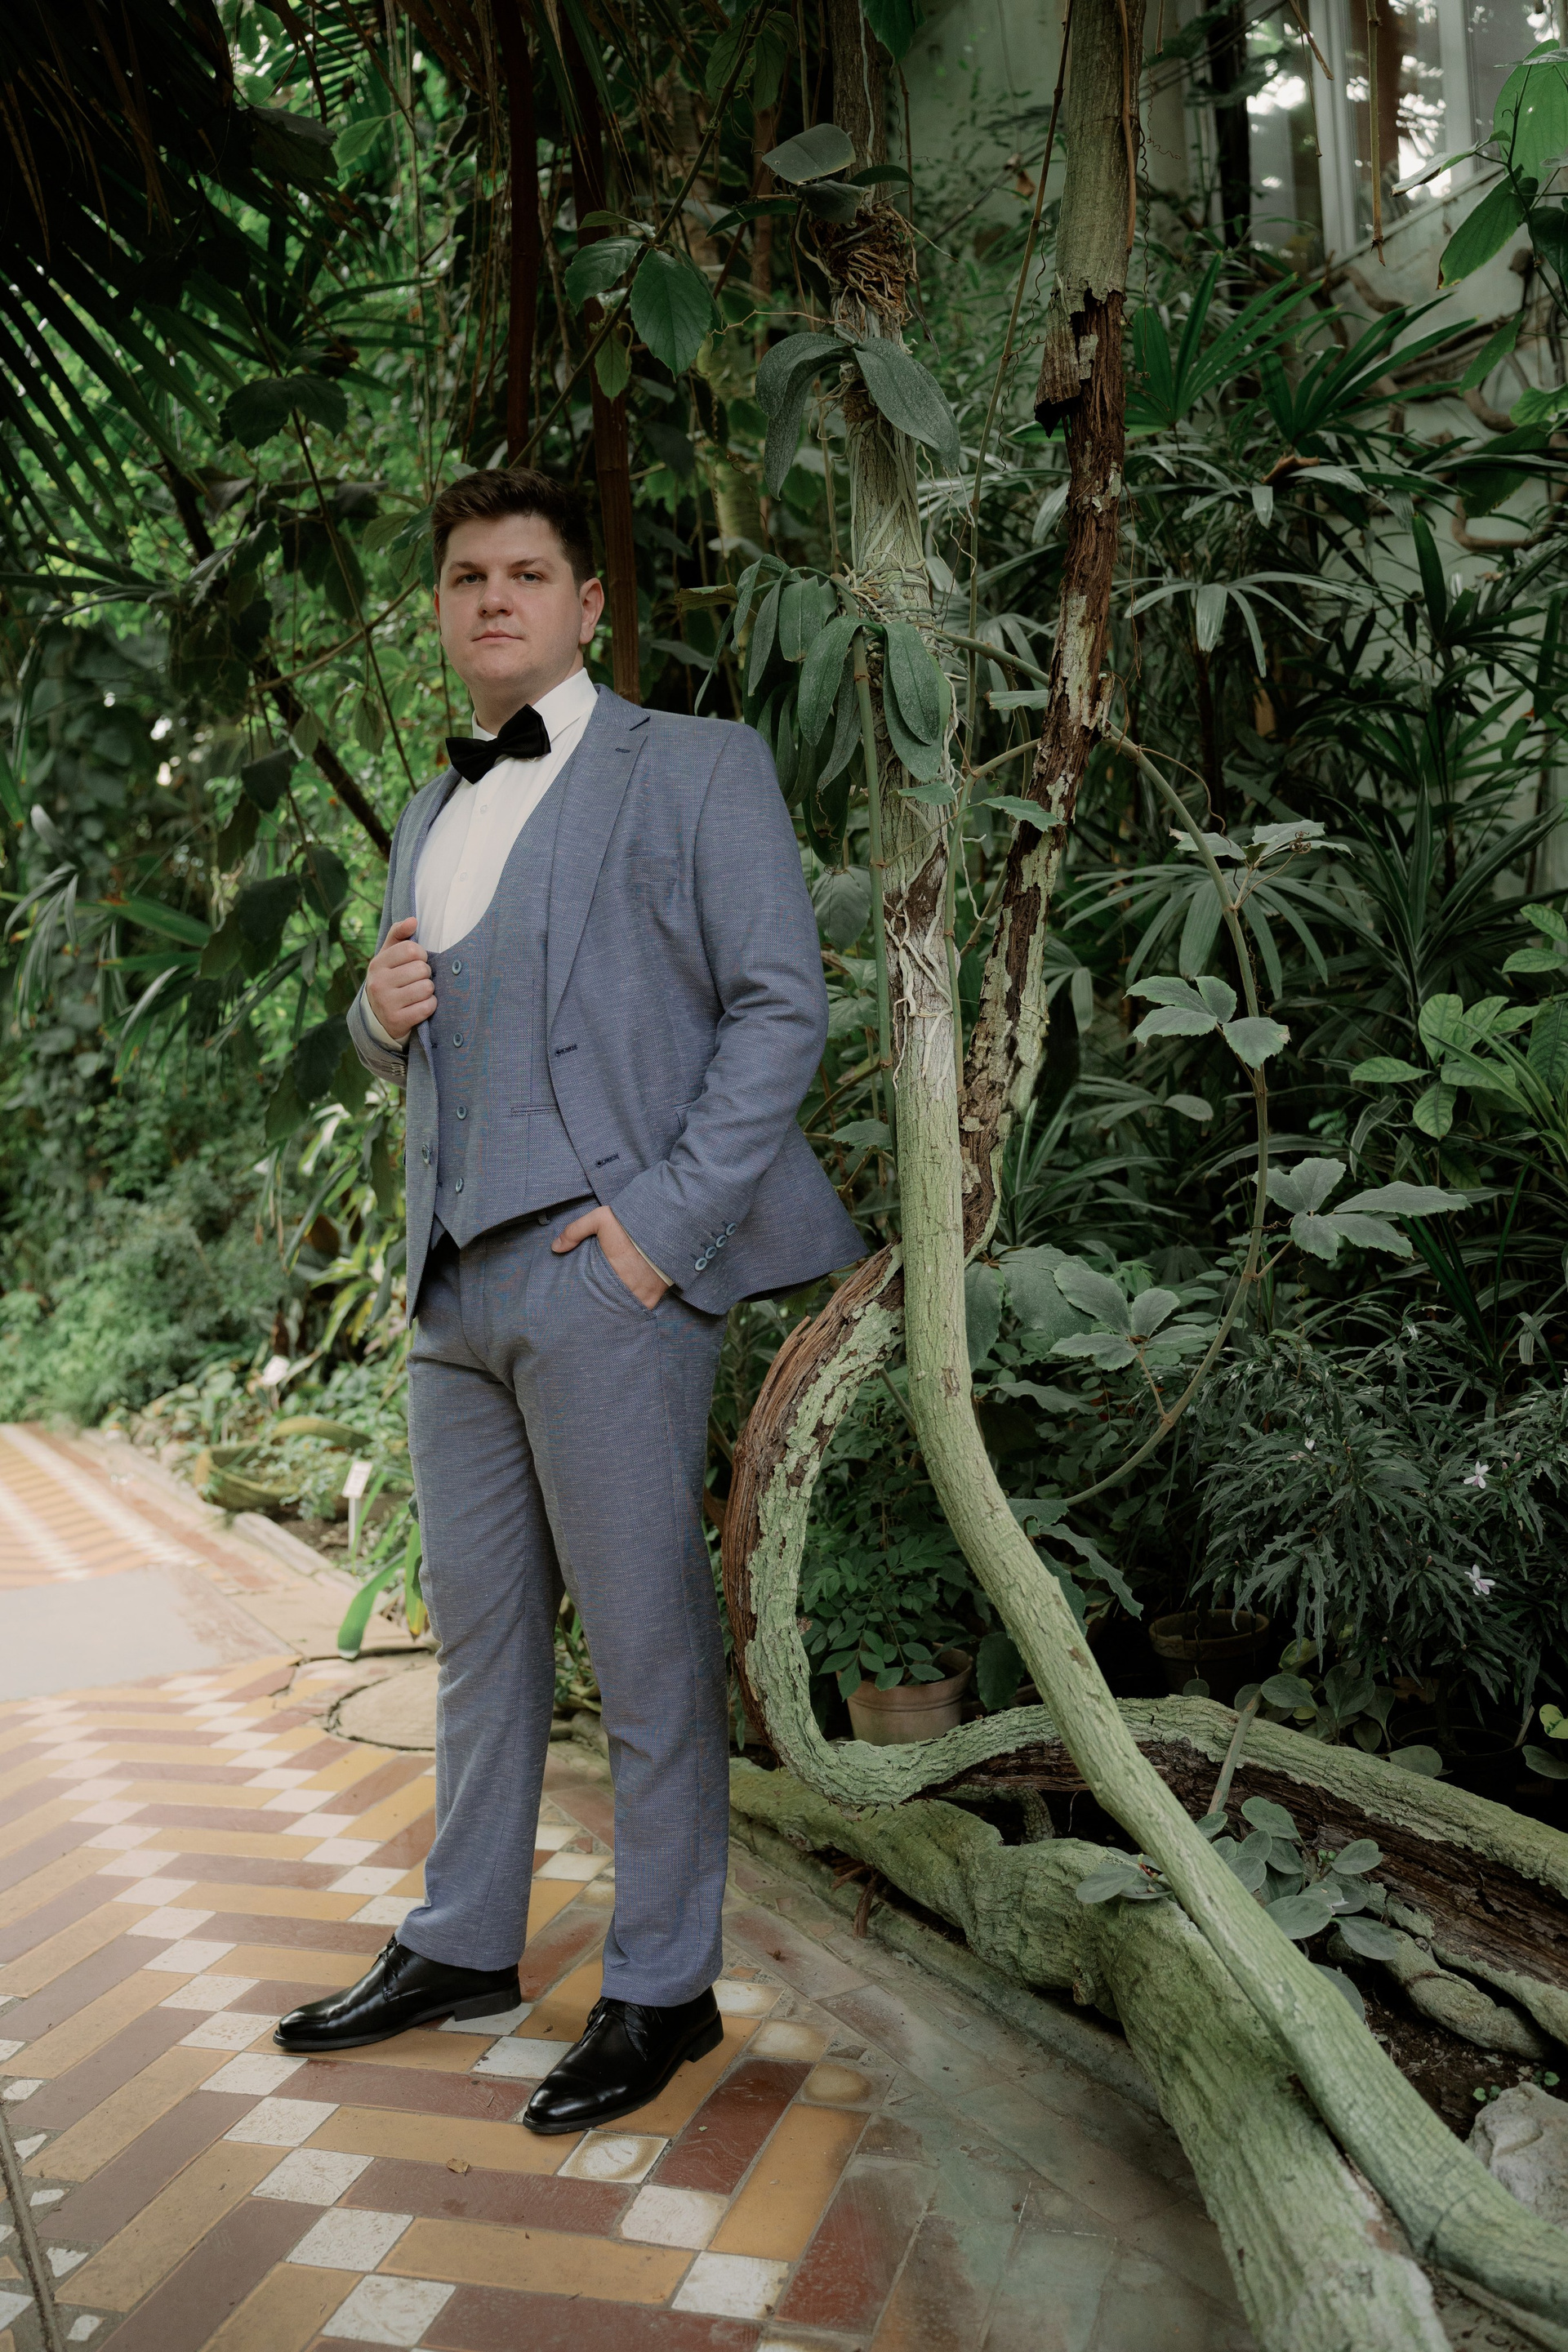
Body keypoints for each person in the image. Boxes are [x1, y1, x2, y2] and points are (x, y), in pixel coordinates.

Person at [272, 469, 863, 2134]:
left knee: (648, 1646)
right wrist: (376, 1019)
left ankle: (662, 1988)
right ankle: (465, 1940)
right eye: (468, 576)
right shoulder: (428, 808)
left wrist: (658, 1234)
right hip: (453, 1292)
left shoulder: (697, 766)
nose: (494, 600)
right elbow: (420, 1034)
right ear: (441, 608)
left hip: (605, 1278)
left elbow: (780, 1007)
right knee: (479, 1643)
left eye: (527, 574)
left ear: (587, 604)